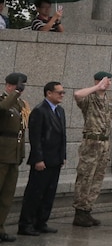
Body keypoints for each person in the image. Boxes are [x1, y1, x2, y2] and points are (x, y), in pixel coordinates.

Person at [18, 81, 67, 236]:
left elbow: (62, 136)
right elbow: (35, 137)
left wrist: (63, 156)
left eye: (63, 92)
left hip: (55, 159)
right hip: (43, 160)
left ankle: (41, 222)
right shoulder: (40, 111)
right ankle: (26, 224)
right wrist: (38, 158)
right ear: (49, 93)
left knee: (49, 193)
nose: (62, 95)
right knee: (35, 193)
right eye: (59, 92)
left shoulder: (60, 111)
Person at [71, 71, 112, 227]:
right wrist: (96, 87)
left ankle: (87, 210)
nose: (109, 83)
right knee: (85, 177)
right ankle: (79, 212)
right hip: (91, 144)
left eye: (109, 80)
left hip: (104, 144)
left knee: (97, 179)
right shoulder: (89, 98)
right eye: (106, 80)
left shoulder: (109, 100)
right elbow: (77, 95)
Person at [0, 73, 29, 242]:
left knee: (7, 195)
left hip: (13, 155)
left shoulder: (19, 105)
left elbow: (21, 132)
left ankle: (1, 227)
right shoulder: (5, 100)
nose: (21, 89)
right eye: (18, 85)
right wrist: (14, 94)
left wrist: (21, 153)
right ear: (9, 85)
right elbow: (3, 109)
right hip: (2, 154)